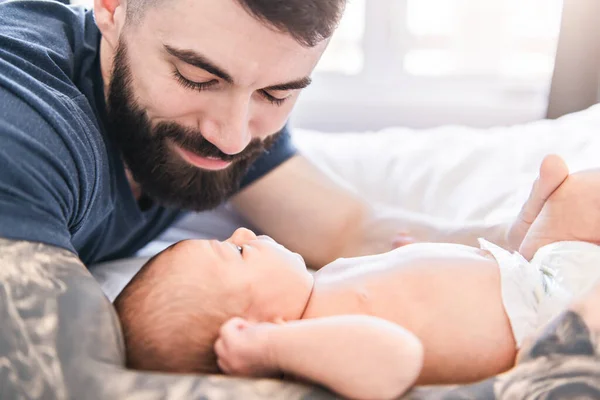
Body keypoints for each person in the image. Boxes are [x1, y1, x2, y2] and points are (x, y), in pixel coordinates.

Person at [113, 155, 600, 399]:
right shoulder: (314, 343)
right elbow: (398, 358)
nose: (243, 230)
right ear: (254, 323)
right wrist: (270, 348)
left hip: (528, 273)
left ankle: (526, 233)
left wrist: (418, 258)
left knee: (579, 195)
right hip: (551, 326)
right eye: (237, 253)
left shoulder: (320, 286)